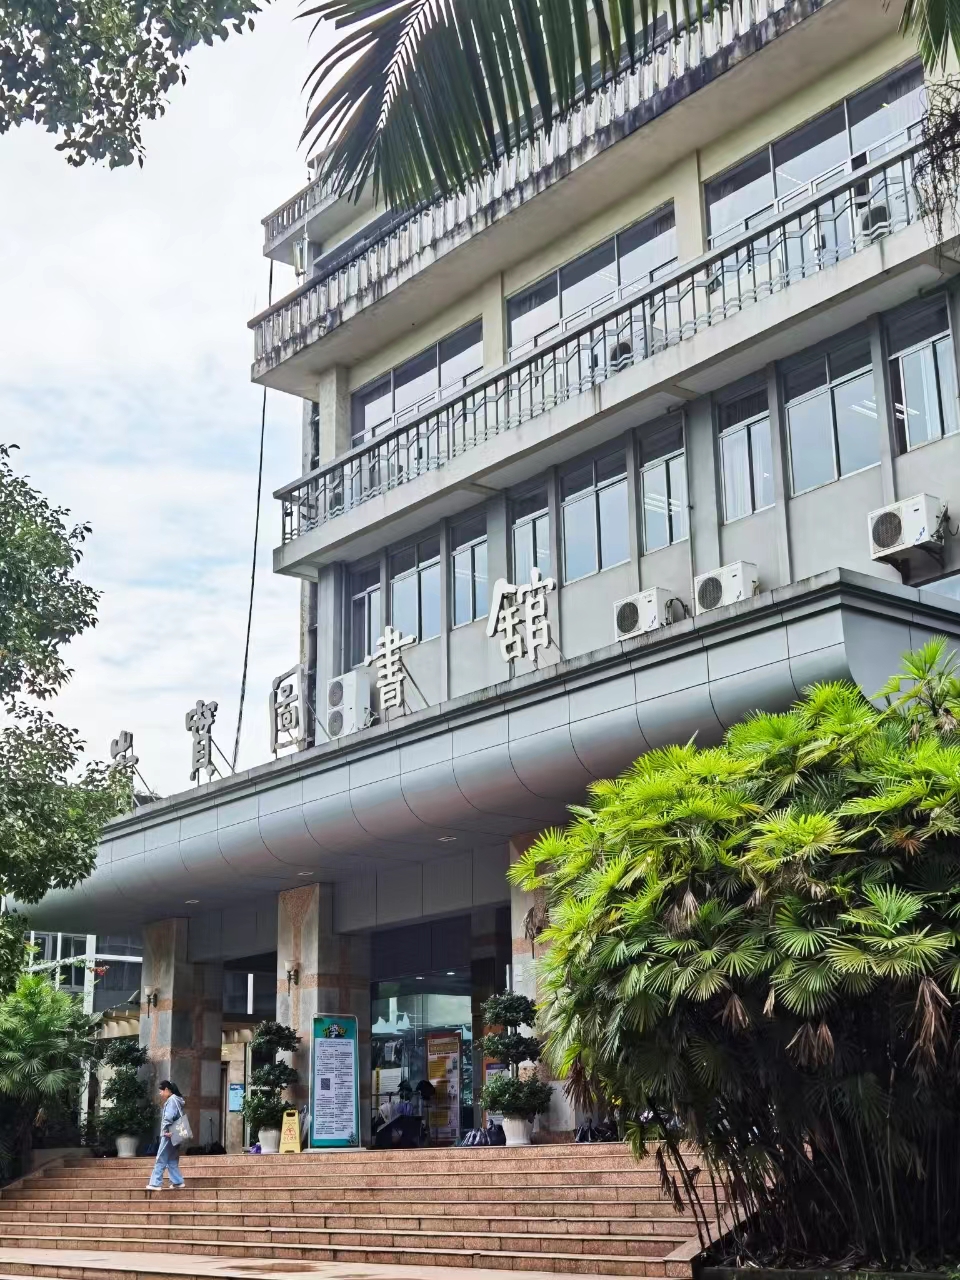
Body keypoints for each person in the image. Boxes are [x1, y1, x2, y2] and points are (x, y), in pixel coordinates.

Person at [145, 1080, 187, 1190]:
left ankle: (155, 1183)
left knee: (161, 1158)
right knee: (172, 1159)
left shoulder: (172, 1100)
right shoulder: (178, 1099)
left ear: (167, 1090)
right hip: (177, 1133)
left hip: (169, 1134)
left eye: (161, 1091)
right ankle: (177, 1182)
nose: (160, 1093)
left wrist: (165, 1131)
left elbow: (168, 1117)